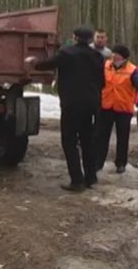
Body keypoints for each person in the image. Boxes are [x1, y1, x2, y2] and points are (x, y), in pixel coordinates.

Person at [25, 26, 105, 192]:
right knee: (87, 140)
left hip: (72, 103)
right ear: (91, 39)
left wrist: (34, 63)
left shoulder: (67, 53)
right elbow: (102, 81)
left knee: (69, 141)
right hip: (91, 103)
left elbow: (49, 64)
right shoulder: (97, 56)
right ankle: (91, 177)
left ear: (74, 37)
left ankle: (77, 180)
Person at [96, 45, 138, 173]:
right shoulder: (105, 66)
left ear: (124, 58)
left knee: (123, 137)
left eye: (118, 54)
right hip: (106, 106)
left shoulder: (132, 70)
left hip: (123, 108)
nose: (114, 56)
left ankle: (121, 163)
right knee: (101, 136)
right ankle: (98, 162)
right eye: (114, 53)